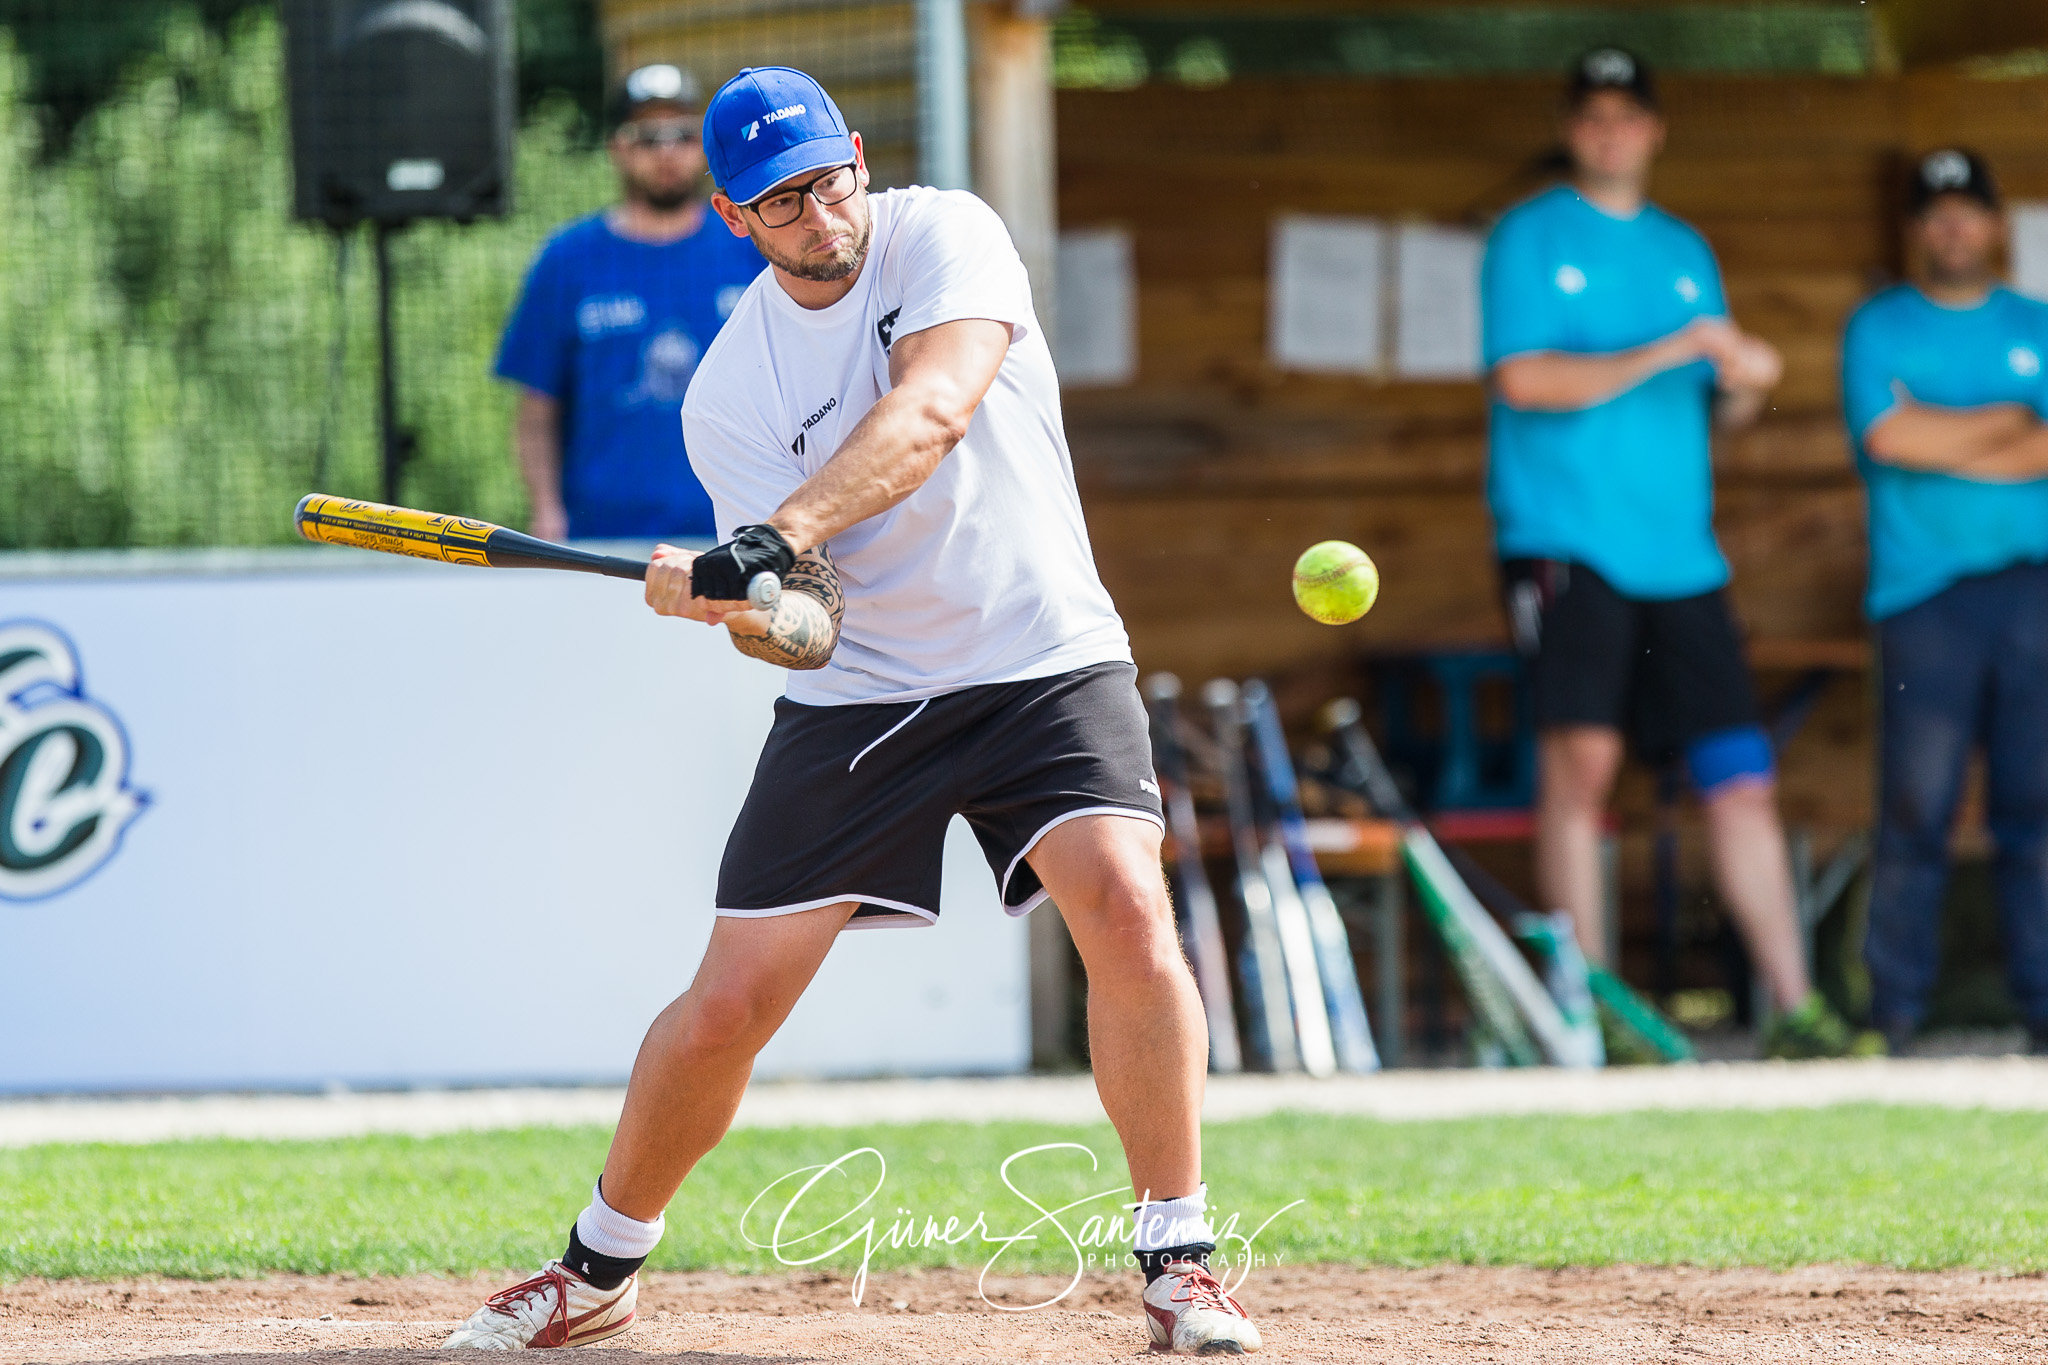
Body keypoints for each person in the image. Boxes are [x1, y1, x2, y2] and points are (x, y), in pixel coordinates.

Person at [443, 66, 1263, 1356]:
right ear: (732, 220)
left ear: (860, 158)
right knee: (731, 1001)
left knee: (1121, 901)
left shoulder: (948, 235)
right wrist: (730, 598)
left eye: (830, 180)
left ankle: (1180, 1259)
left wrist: (771, 536)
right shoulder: (728, 392)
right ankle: (597, 1268)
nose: (821, 216)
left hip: (1040, 650)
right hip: (867, 688)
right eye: (782, 202)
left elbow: (930, 413)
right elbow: (802, 621)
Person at [1481, 48, 1875, 1058]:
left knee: (1738, 773)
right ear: (1572, 129)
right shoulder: (1527, 238)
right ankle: (1589, 1012)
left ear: (1653, 130)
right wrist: (1668, 348)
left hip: (1682, 557)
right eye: (1591, 114)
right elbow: (1522, 380)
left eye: (1627, 114)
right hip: (1566, 543)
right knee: (1584, 769)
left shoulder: (1682, 247)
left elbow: (1724, 410)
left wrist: (1746, 374)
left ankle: (1794, 1010)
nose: (1610, 130)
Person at [1841, 149, 2048, 1057]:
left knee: (2034, 804)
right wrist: (2010, 418)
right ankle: (1894, 1013)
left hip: (2030, 587)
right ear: (1917, 228)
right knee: (1918, 806)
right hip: (1920, 595)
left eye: (1968, 210)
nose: (1952, 227)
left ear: (1996, 224)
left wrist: (1946, 434)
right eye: (1936, 213)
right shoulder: (1876, 327)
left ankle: (2042, 1005)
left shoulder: (2035, 323)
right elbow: (1889, 435)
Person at [495, 63, 765, 542]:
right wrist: (546, 512)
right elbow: (537, 412)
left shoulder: (752, 247)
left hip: (740, 530)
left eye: (681, 134)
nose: (666, 152)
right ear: (616, 147)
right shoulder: (568, 259)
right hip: (604, 540)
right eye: (646, 136)